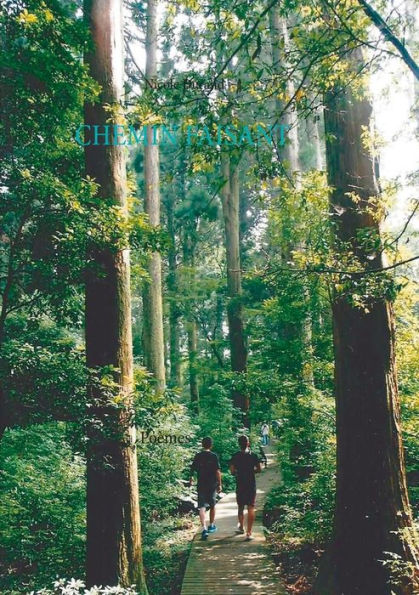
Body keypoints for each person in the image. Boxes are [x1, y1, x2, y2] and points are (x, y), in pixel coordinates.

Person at [229, 435, 262, 541]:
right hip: (251, 484)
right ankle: (249, 533)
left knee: (240, 507)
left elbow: (232, 471)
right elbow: (259, 469)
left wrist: (239, 472)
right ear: (248, 443)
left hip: (240, 484)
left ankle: (241, 527)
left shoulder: (235, 456)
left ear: (239, 444)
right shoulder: (254, 455)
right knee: (251, 507)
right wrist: (251, 471)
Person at [189, 436, 222, 540]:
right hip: (212, 484)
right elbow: (217, 471)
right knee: (212, 505)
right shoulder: (214, 456)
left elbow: (192, 468)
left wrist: (191, 479)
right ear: (211, 445)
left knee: (202, 506)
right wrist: (220, 484)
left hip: (201, 483)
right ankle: (211, 525)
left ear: (202, 444)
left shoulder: (198, 456)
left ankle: (204, 528)